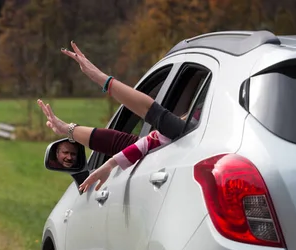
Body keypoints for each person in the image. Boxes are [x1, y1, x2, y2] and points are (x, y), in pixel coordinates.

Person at [37, 41, 200, 193]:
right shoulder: (193, 130)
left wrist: (98, 76)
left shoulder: (188, 133)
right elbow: (131, 143)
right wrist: (68, 129)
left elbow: (152, 113)